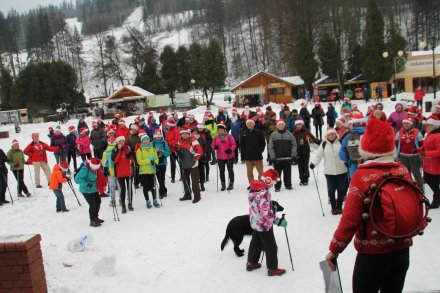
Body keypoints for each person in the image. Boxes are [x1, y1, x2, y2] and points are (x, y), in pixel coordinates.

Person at [325, 118, 414, 292]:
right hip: (402, 250)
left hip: (372, 255)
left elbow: (350, 219)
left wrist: (334, 250)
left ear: (366, 148)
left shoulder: (362, 176)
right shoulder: (402, 170)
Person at [246, 168, 287, 277]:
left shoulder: (253, 188)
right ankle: (272, 268)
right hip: (263, 225)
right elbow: (266, 213)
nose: (272, 186)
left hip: (255, 222)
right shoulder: (264, 193)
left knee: (256, 242)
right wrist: (278, 221)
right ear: (268, 181)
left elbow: (258, 206)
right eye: (272, 183)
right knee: (271, 247)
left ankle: (252, 262)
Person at [310, 129, 348, 214]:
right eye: (329, 135)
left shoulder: (341, 143)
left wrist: (347, 162)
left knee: (341, 190)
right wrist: (314, 164)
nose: (331, 136)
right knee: (331, 190)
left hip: (342, 170)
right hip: (329, 171)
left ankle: (339, 207)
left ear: (335, 135)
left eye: (333, 134)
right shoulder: (323, 144)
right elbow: (318, 156)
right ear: (326, 136)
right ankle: (333, 207)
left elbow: (346, 154)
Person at [74, 158, 106, 227]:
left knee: (98, 201)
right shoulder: (85, 169)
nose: (95, 170)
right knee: (93, 204)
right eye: (94, 168)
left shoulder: (97, 169)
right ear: (91, 165)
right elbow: (77, 179)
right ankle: (92, 220)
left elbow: (98, 177)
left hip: (93, 188)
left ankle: (95, 217)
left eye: (96, 168)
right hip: (85, 189)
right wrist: (86, 183)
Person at [395, 116, 424, 189]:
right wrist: (397, 155)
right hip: (403, 156)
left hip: (415, 156)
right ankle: (409, 187)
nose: (406, 125)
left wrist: (420, 152)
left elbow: (421, 144)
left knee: (416, 173)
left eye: (407, 123)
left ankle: (420, 188)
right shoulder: (399, 132)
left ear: (411, 124)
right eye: (404, 123)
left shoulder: (417, 132)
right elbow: (396, 143)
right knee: (406, 173)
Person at [268, 119, 297, 192]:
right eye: (279, 125)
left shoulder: (289, 134)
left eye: (282, 125)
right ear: (277, 126)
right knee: (277, 174)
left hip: (287, 158)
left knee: (287, 173)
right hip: (277, 159)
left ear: (284, 125)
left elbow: (294, 144)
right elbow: (270, 147)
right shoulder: (273, 135)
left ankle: (288, 185)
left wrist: (293, 154)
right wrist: (273, 157)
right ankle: (277, 186)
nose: (281, 126)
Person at [176, 126, 203, 203]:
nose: (185, 135)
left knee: (195, 181)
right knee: (185, 180)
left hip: (193, 164)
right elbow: (179, 150)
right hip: (184, 163)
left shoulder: (193, 140)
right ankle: (187, 194)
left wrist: (194, 159)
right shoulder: (179, 141)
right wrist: (178, 153)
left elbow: (200, 151)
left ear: (189, 134)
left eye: (186, 134)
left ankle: (197, 196)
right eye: (183, 134)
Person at [419, 116, 440, 208]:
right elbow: (427, 146)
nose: (427, 127)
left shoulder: (438, 136)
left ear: (434, 126)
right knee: (428, 182)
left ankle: (436, 200)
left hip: (435, 165)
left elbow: (439, 151)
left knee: (434, 184)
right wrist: (420, 149)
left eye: (429, 125)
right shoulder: (429, 134)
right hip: (428, 165)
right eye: (427, 125)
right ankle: (437, 197)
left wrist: (426, 153)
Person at [136, 133, 160, 208]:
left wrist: (155, 163)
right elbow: (140, 161)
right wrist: (149, 160)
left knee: (153, 186)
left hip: (151, 170)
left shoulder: (152, 149)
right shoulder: (139, 150)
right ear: (142, 141)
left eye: (147, 140)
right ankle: (147, 201)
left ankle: (155, 200)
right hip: (143, 172)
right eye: (144, 140)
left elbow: (156, 158)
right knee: (145, 187)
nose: (146, 141)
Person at [112, 136, 134, 213]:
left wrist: (129, 155)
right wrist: (119, 150)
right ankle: (123, 204)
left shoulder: (128, 148)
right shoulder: (115, 150)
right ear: (117, 142)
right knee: (123, 189)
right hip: (120, 172)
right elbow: (115, 160)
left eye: (122, 140)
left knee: (129, 188)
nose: (121, 142)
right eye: (119, 141)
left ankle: (130, 203)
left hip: (129, 171)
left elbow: (133, 159)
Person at [240, 119, 266, 184]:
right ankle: (252, 184)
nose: (249, 124)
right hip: (248, 157)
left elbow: (263, 143)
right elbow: (241, 144)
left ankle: (261, 184)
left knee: (261, 172)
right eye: (248, 123)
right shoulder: (243, 133)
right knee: (249, 173)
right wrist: (244, 152)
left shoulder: (259, 132)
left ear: (253, 124)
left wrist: (260, 150)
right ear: (246, 125)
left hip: (258, 156)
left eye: (251, 123)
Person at [212, 122, 236, 191]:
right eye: (219, 130)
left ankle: (231, 183)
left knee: (230, 170)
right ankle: (223, 184)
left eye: (221, 130)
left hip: (229, 156)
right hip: (220, 157)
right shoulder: (216, 137)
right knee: (221, 171)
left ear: (224, 130)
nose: (220, 131)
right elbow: (212, 145)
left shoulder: (229, 136)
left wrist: (230, 150)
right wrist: (215, 147)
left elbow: (234, 144)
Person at [293, 118, 315, 186]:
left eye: (300, 124)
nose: (298, 126)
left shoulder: (306, 131)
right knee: (300, 166)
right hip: (298, 151)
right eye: (297, 124)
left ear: (302, 124)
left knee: (305, 165)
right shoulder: (294, 132)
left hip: (305, 151)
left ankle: (306, 179)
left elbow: (313, 139)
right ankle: (301, 179)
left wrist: (316, 142)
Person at [152, 129, 170, 198]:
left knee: (161, 178)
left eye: (159, 136)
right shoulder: (152, 143)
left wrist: (161, 151)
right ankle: (163, 190)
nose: (158, 137)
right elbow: (150, 153)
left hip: (162, 163)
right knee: (158, 177)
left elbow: (168, 153)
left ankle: (162, 192)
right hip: (155, 163)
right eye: (157, 136)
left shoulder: (164, 143)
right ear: (154, 137)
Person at [102, 135, 119, 208]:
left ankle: (113, 201)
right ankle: (121, 200)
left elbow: (104, 163)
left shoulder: (106, 152)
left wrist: (105, 169)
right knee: (120, 186)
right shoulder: (118, 150)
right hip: (119, 171)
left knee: (112, 187)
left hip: (111, 171)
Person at [165, 117, 180, 183]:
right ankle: (173, 177)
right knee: (172, 164)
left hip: (176, 150)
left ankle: (182, 176)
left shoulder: (175, 130)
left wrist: (170, 143)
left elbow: (177, 140)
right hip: (171, 150)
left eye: (168, 125)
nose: (167, 126)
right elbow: (166, 140)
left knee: (180, 163)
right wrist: (166, 144)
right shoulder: (169, 131)